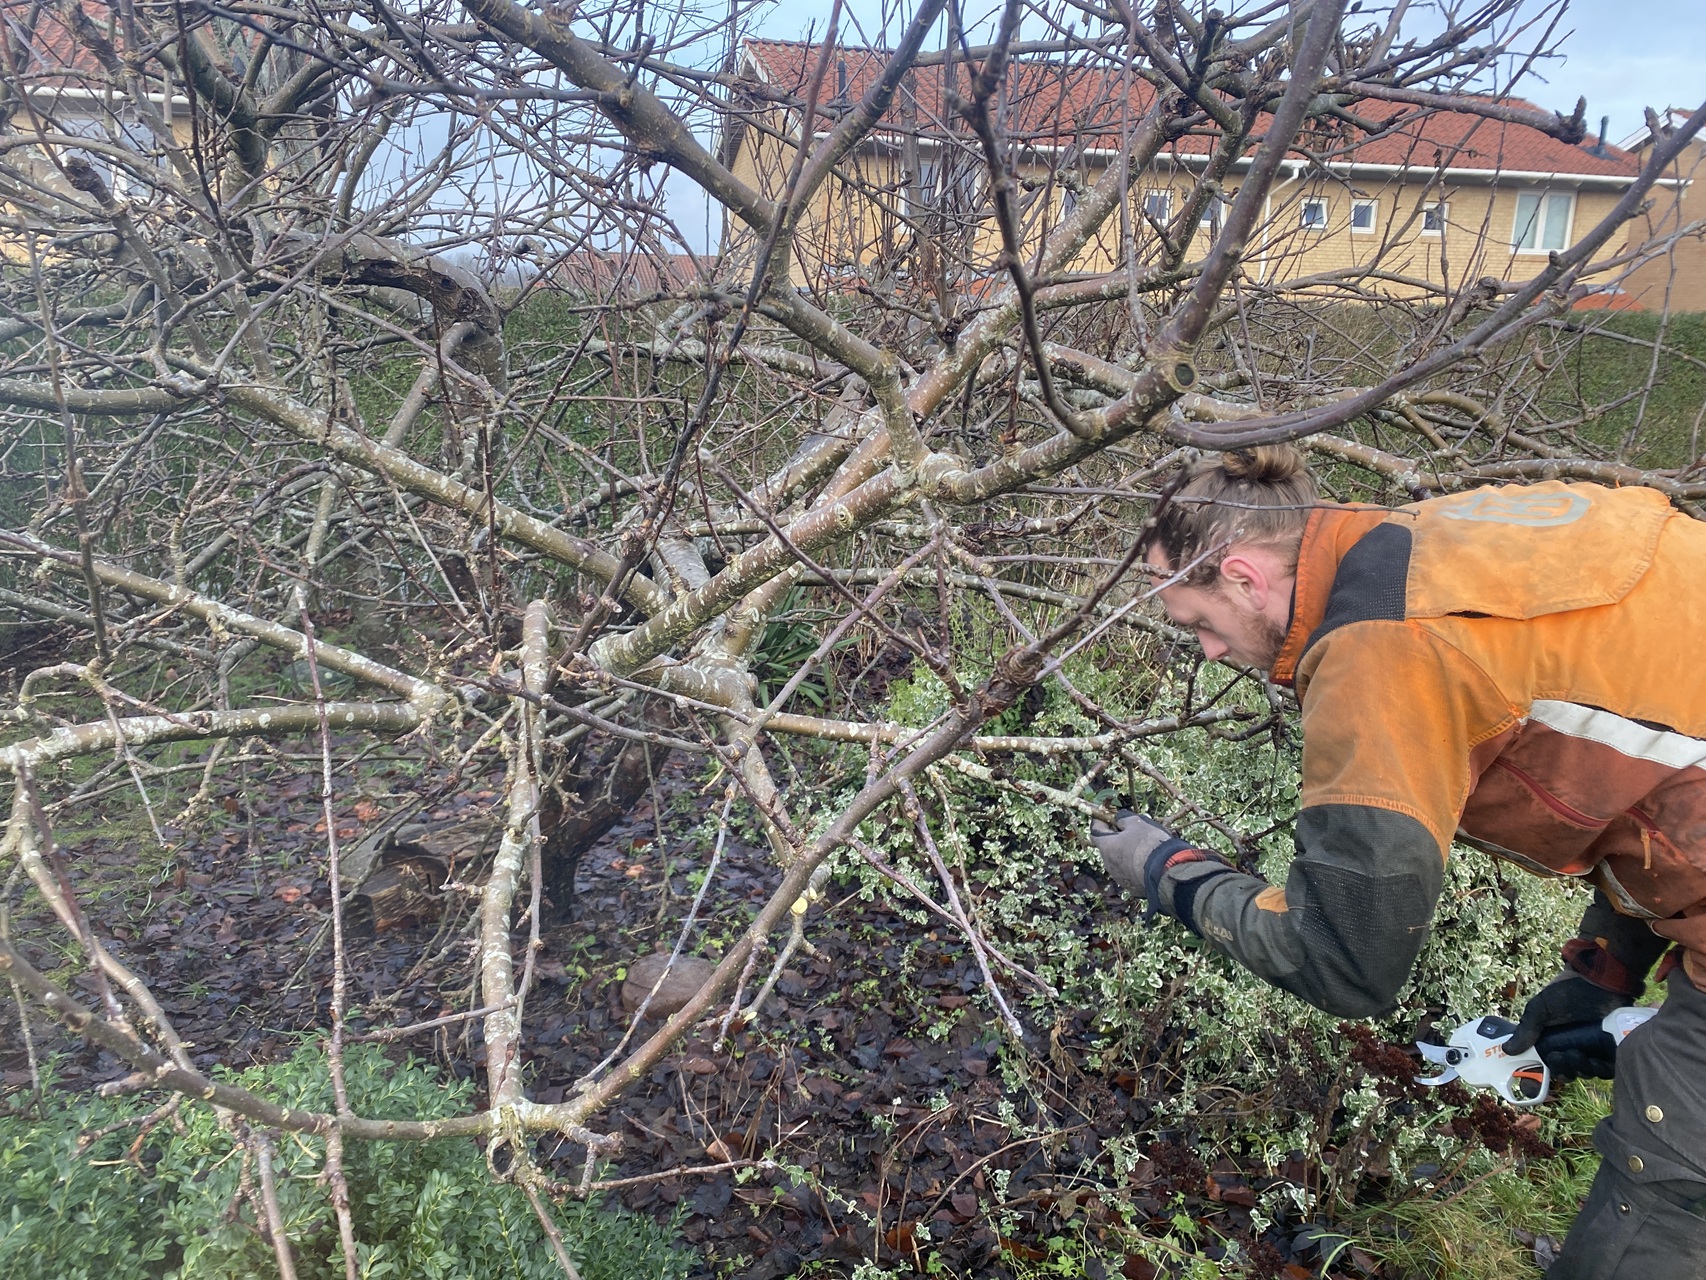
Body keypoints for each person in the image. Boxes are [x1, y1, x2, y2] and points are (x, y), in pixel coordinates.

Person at [1091, 445, 1706, 1280]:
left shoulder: (1381, 648)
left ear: (1243, 576)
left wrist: (1172, 873)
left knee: (1667, 1166)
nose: (1204, 650)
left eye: (1198, 622)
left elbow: (1347, 962)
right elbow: (1650, 759)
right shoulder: (1432, 537)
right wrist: (1609, 966)